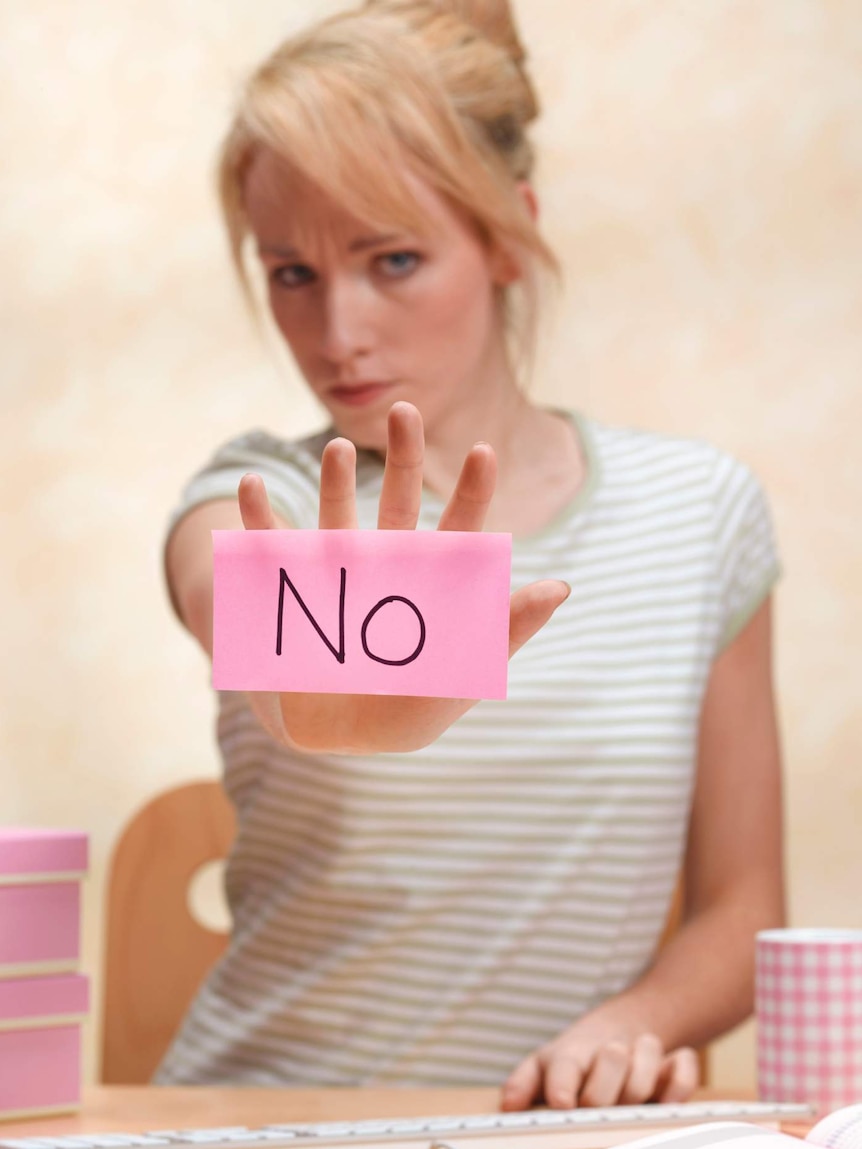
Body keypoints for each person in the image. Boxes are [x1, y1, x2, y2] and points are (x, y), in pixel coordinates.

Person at [157, 0, 786, 1108]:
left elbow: (742, 909)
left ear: (505, 234)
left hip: (541, 1131)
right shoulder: (264, 493)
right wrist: (318, 691)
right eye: (291, 271)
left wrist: (633, 1024)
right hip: (256, 1119)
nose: (337, 330)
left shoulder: (700, 515)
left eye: (391, 258)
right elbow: (235, 605)